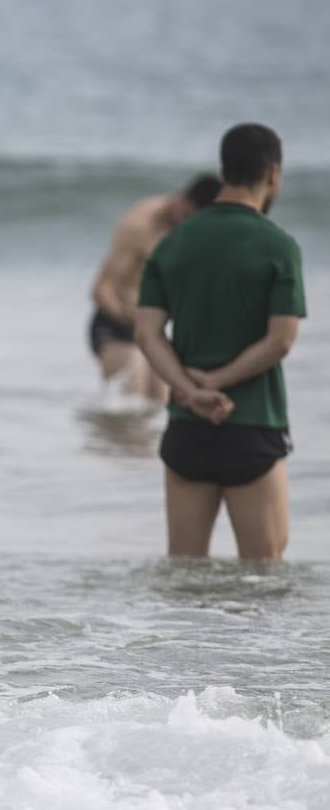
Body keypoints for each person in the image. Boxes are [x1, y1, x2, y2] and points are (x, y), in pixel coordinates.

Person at [135, 123, 305, 561]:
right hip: (251, 422)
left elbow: (148, 333)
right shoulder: (278, 246)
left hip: (187, 425)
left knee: (185, 570)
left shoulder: (172, 243)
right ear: (273, 172)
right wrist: (219, 381)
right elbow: (281, 341)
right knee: (263, 573)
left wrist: (191, 392)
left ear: (224, 169)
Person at [89, 173, 221, 402]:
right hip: (116, 323)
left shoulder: (192, 231)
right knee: (128, 404)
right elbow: (101, 289)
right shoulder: (141, 225)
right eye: (188, 216)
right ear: (182, 201)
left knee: (159, 406)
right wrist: (125, 315)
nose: (189, 224)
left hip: (154, 329)